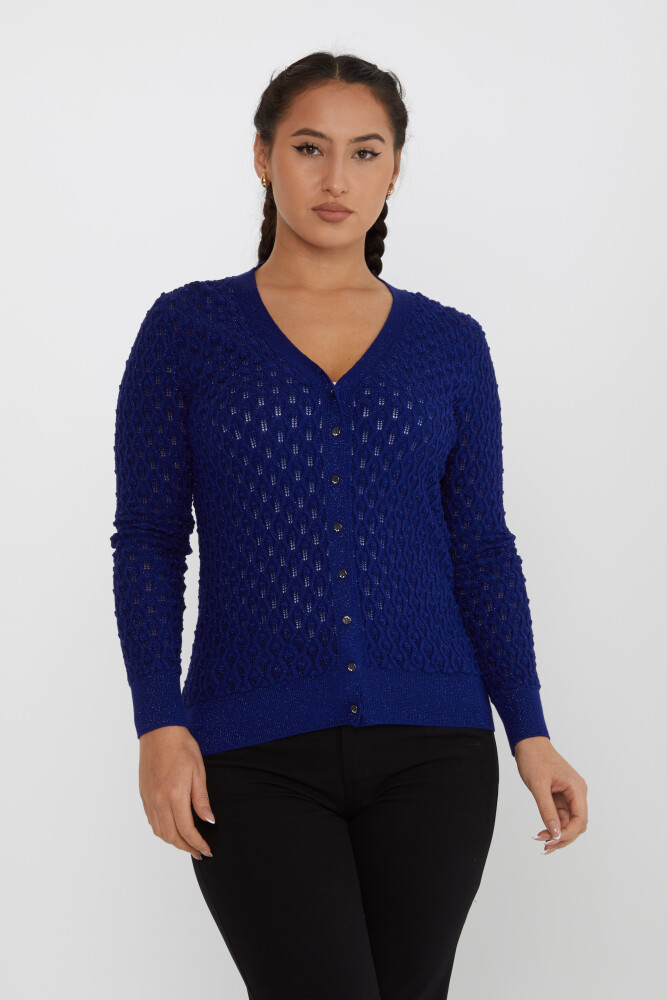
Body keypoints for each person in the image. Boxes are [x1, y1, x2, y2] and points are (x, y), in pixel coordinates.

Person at [110, 51, 588, 1000]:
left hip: (436, 751)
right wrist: (158, 721)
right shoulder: (187, 331)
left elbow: (481, 549)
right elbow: (150, 540)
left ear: (393, 170)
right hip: (250, 752)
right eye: (308, 148)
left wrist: (529, 730)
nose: (336, 179)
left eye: (364, 153)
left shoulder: (449, 344)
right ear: (262, 158)